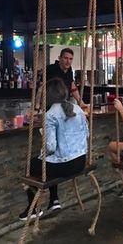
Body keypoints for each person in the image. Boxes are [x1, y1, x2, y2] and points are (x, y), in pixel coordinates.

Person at [19, 78, 89, 221]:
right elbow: (86, 134)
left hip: (66, 165)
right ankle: (54, 200)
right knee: (49, 162)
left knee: (31, 166)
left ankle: (33, 208)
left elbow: (50, 148)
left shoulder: (50, 115)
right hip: (81, 161)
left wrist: (44, 136)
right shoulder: (77, 109)